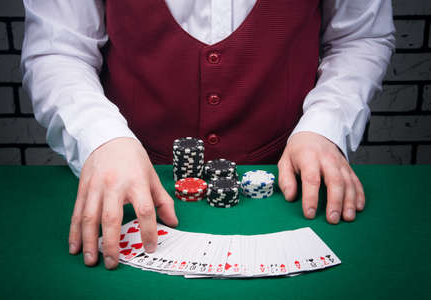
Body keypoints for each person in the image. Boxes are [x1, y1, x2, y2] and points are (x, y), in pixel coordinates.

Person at [21, 0, 395, 270]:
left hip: (290, 187)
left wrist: (326, 126)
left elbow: (360, 37)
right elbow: (59, 50)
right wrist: (101, 137)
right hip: (129, 185)